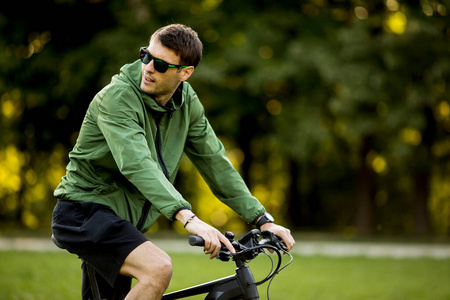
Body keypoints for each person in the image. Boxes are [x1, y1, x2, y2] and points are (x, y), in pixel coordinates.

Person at [51, 23, 295, 300]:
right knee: (157, 269)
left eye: (161, 64)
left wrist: (262, 219)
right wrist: (188, 217)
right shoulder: (117, 98)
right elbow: (137, 163)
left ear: (185, 73)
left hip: (121, 222)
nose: (148, 67)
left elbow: (214, 161)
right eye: (146, 56)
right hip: (84, 211)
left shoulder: (186, 103)